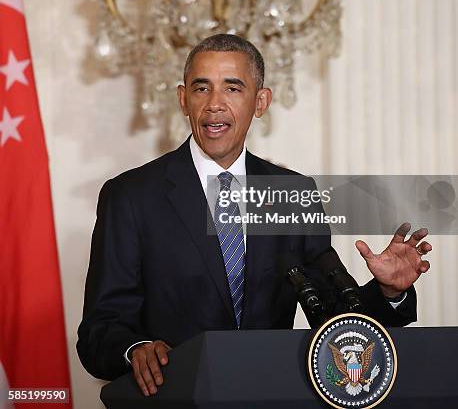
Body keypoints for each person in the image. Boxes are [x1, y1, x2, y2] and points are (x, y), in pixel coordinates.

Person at [76, 34, 432, 396]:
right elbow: (98, 331)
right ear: (184, 99)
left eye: (232, 89)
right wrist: (135, 349)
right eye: (202, 89)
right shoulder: (131, 196)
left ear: (260, 101)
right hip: (175, 399)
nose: (214, 105)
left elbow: (334, 324)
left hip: (270, 395)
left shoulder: (294, 194)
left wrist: (388, 291)